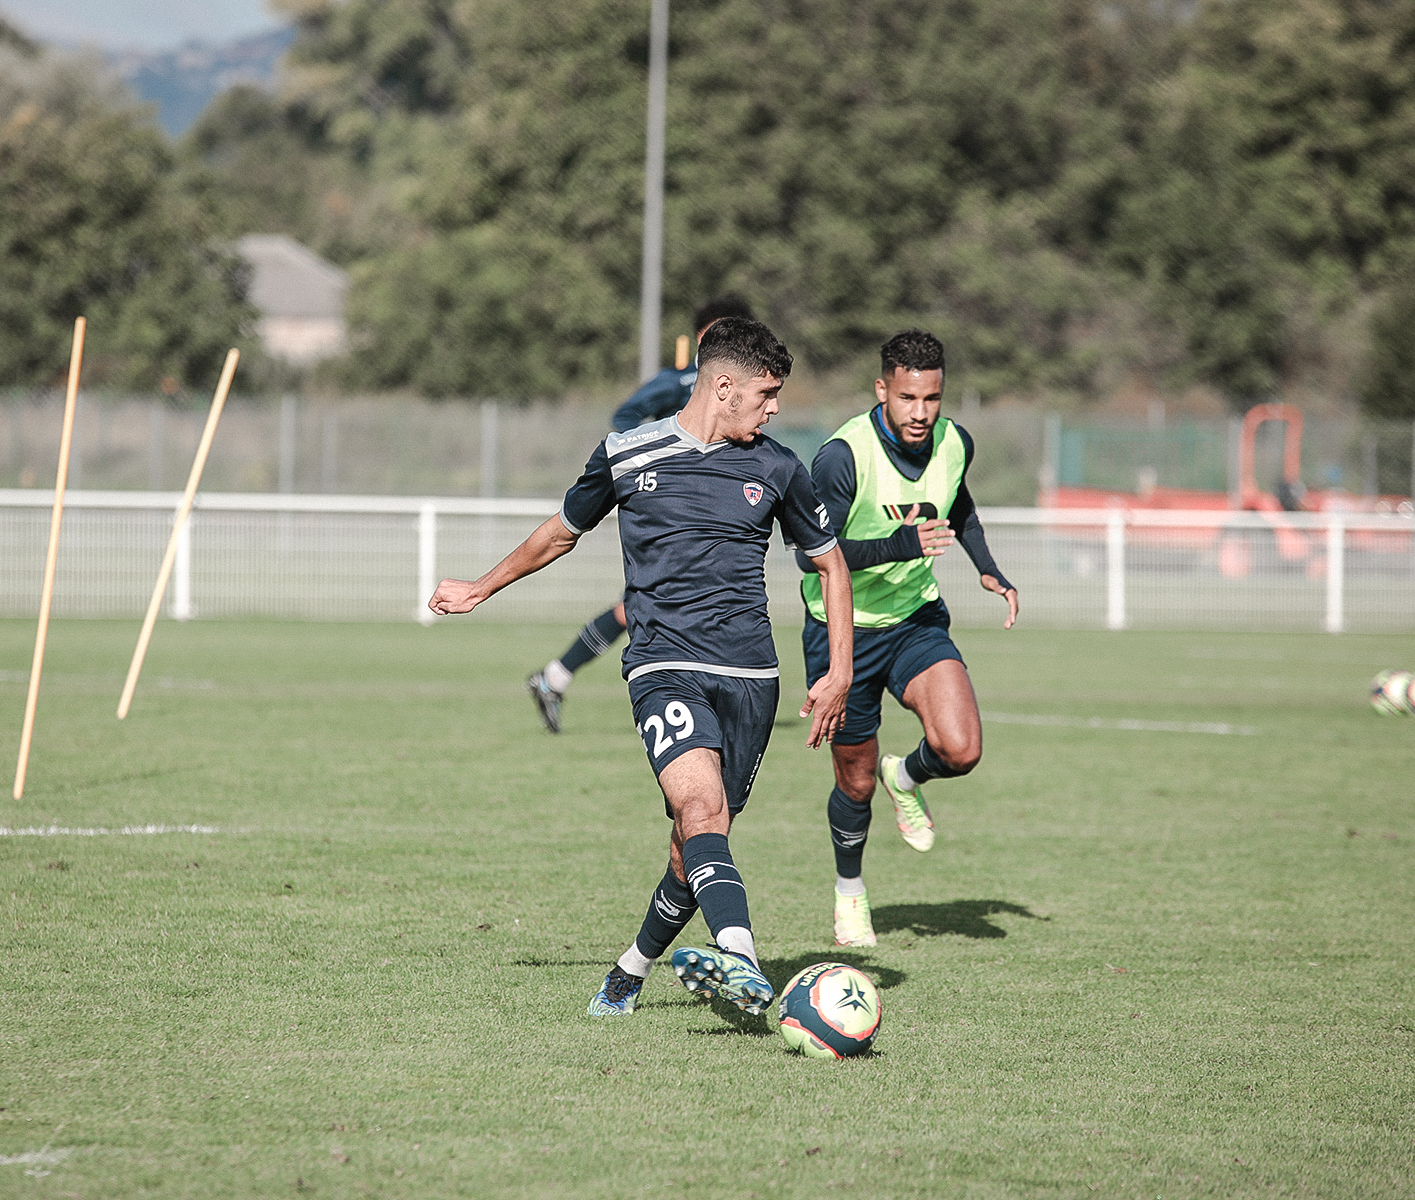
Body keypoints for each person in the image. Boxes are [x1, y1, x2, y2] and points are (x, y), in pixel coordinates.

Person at [430, 317, 854, 1017]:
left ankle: (630, 969)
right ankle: (742, 959)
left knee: (695, 847)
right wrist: (480, 587)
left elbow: (832, 566)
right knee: (701, 808)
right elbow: (560, 533)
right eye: (767, 393)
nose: (776, 408)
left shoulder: (779, 468)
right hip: (663, 665)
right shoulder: (628, 453)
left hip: (752, 679)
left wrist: (839, 671)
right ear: (725, 386)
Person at [796, 329, 1017, 948]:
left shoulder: (955, 443)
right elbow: (810, 555)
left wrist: (987, 566)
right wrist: (900, 544)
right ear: (882, 390)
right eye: (908, 398)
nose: (921, 412)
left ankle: (908, 776)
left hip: (916, 619)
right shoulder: (843, 456)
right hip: (843, 633)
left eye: (932, 398)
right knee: (855, 781)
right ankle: (850, 893)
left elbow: (957, 502)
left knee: (961, 749)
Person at [525, 295, 758, 733]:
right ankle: (559, 677)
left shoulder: (744, 390)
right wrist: (657, 454)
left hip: (711, 513)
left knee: (637, 607)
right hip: (668, 513)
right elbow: (625, 415)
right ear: (702, 337)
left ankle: (555, 677)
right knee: (640, 606)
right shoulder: (680, 381)